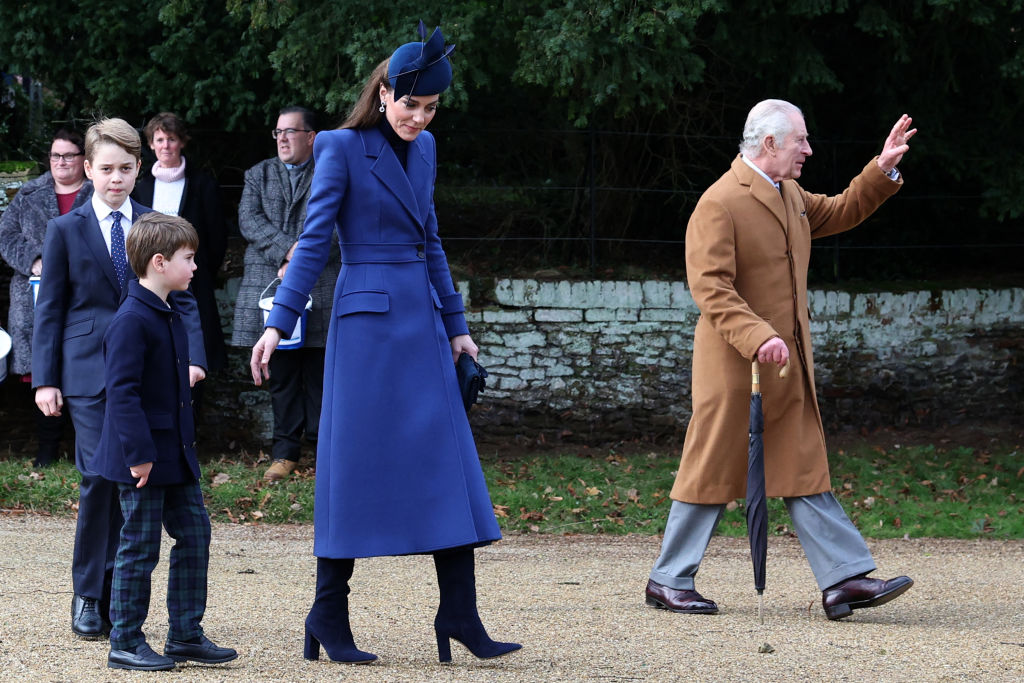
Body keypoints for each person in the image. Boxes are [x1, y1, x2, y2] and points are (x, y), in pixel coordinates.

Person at [250, 23, 521, 664]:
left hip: (422, 326)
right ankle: (328, 611)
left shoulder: (424, 150)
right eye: (411, 105)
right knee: (353, 467)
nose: (419, 119)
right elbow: (314, 243)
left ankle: (459, 613)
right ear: (383, 92)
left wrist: (458, 327)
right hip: (366, 327)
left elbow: (431, 241)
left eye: (430, 109)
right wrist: (278, 323)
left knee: (445, 464)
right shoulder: (339, 147)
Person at [645, 100, 917, 621]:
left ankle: (844, 579)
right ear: (769, 144)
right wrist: (758, 335)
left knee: (802, 465)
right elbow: (711, 289)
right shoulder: (719, 202)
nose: (809, 150)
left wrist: (881, 170)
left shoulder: (788, 193)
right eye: (802, 141)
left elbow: (839, 210)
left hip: (785, 367)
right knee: (711, 470)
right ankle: (668, 580)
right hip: (734, 368)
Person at [32, 118, 207, 639]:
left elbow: (185, 294)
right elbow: (52, 309)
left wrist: (193, 355)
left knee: (142, 480)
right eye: (105, 169)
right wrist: (46, 379)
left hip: (151, 373)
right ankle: (90, 594)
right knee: (100, 480)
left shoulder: (154, 222)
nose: (116, 179)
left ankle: (126, 600)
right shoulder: (65, 228)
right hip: (87, 373)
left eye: (126, 169)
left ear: (139, 170)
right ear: (87, 170)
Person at [95, 213, 236, 671]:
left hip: (175, 455)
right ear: (159, 262)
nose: (195, 267)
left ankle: (185, 635)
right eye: (188, 258)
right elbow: (122, 394)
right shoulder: (131, 320)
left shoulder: (167, 311)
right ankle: (126, 640)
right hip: (143, 459)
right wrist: (139, 457)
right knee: (139, 547)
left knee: (195, 535)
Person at [232, 105, 340, 482]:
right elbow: (249, 220)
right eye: (277, 132)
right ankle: (285, 453)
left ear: (311, 137)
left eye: (290, 131)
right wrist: (288, 252)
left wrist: (301, 259)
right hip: (271, 283)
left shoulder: (332, 170)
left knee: (320, 372)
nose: (281, 138)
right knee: (282, 373)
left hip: (322, 284)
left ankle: (324, 451)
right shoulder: (258, 174)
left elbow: (339, 226)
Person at [0, 128, 91, 466]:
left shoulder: (98, 192)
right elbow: (5, 234)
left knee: (83, 369)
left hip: (85, 296)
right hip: (34, 297)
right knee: (41, 371)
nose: (61, 162)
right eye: (56, 155)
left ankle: (86, 452)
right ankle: (47, 453)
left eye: (69, 155)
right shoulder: (29, 193)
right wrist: (35, 260)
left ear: (84, 159)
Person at [133, 113, 228, 397]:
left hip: (193, 283)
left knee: (194, 356)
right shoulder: (140, 188)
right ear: (151, 144)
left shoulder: (202, 185)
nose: (165, 145)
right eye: (159, 139)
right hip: (149, 285)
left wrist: (198, 271)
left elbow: (217, 237)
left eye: (171, 139)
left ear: (182, 142)